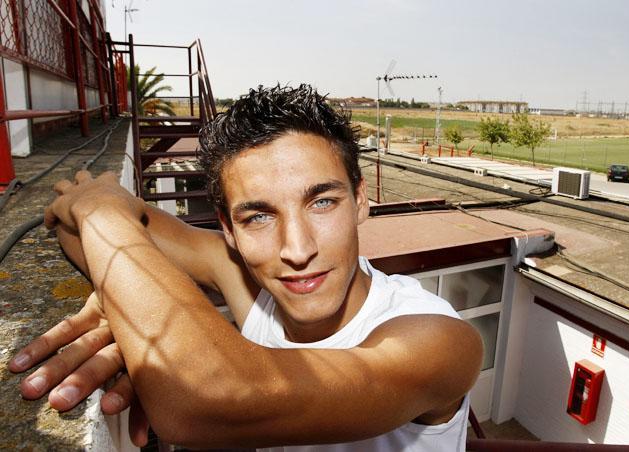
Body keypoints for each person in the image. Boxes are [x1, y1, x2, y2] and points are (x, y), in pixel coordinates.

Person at [9, 85, 483, 450]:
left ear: (360, 200)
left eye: (322, 202)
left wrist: (103, 214)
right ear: (228, 229)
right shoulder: (242, 278)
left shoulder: (437, 340)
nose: (297, 249)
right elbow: (72, 226)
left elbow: (202, 396)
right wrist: (139, 319)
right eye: (258, 216)